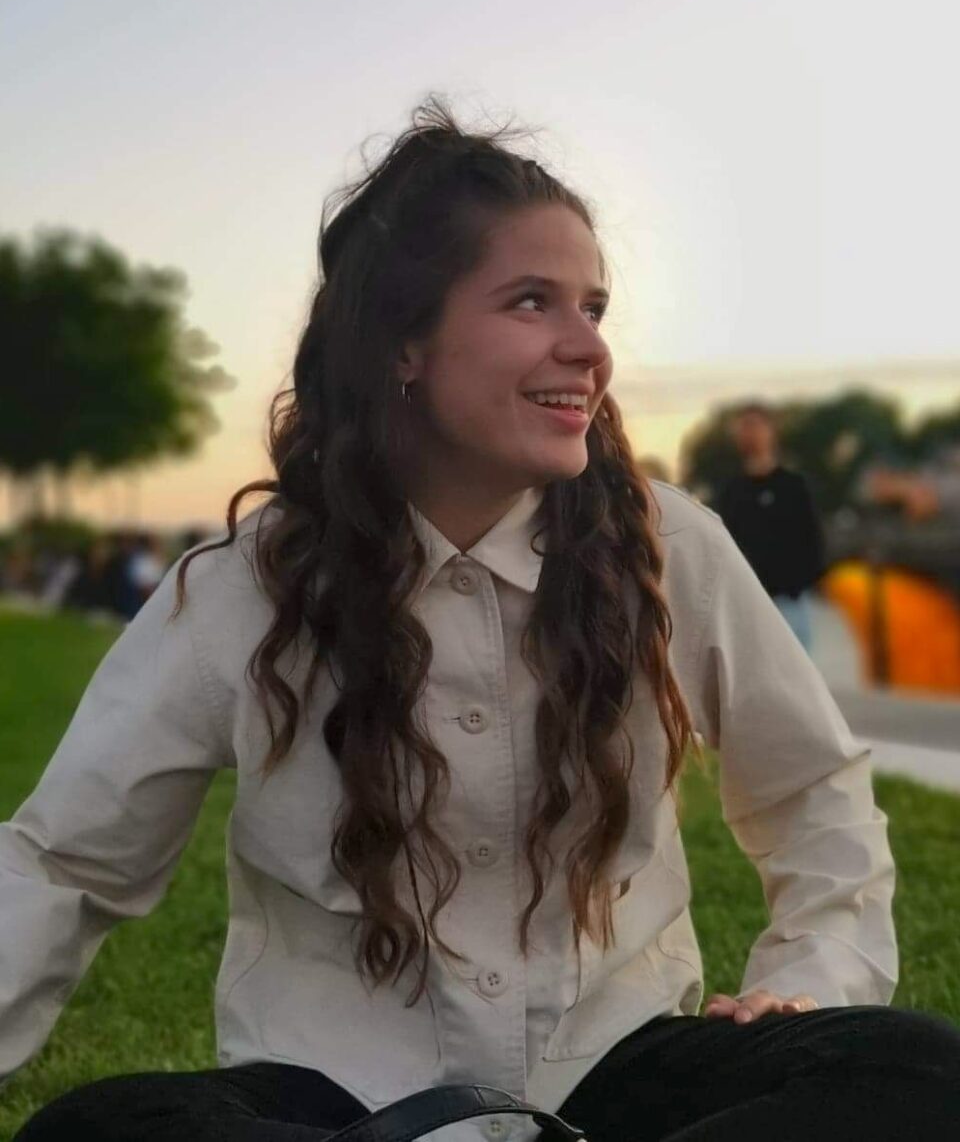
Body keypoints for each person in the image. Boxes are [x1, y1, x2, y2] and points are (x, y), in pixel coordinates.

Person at [3, 100, 958, 1142]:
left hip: (617, 1078)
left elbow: (811, 786)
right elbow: (65, 863)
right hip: (345, 1098)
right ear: (402, 342)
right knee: (97, 1131)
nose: (588, 347)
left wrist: (808, 978)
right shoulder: (243, 585)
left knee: (914, 1069)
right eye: (532, 301)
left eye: (594, 306)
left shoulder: (669, 546)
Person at [716, 402, 825, 652]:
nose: (750, 434)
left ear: (772, 430)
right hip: (747, 603)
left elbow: (812, 539)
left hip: (790, 603)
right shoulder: (731, 492)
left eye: (755, 426)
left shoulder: (794, 486)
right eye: (744, 428)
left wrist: (801, 582)